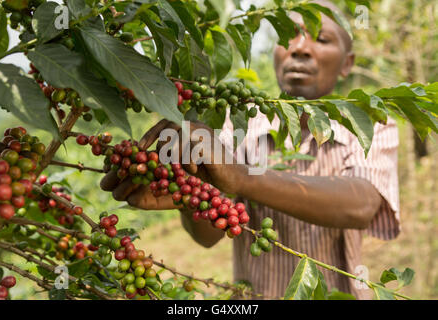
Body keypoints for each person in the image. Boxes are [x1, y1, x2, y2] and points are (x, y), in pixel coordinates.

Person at [100, 1, 400, 299]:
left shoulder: (368, 127)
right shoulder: (236, 124)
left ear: (347, 63)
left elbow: (361, 205)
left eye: (321, 39)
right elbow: (208, 235)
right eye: (288, 37)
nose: (300, 48)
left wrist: (244, 178)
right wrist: (189, 186)